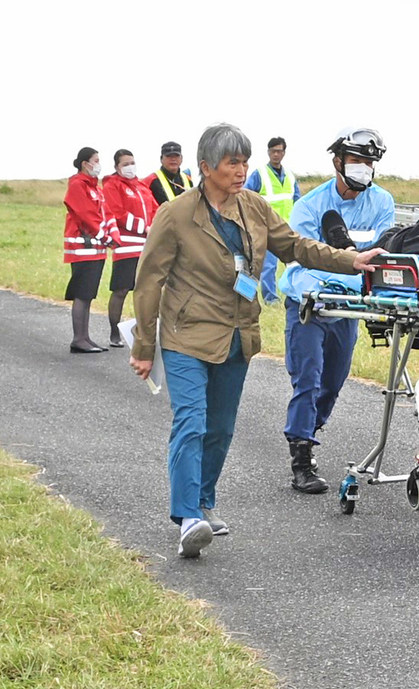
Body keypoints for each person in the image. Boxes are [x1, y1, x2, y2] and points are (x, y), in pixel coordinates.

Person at [128, 123, 384, 559]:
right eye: (232, 163)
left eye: (245, 161)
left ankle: (204, 500)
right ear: (206, 167)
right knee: (191, 421)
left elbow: (297, 247)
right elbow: (149, 280)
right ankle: (188, 515)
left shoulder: (255, 207)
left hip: (236, 334)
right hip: (186, 334)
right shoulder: (175, 215)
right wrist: (143, 346)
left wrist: (350, 260)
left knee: (221, 428)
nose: (241, 170)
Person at [277, 127, 395, 494]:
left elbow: (383, 254)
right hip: (309, 305)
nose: (364, 168)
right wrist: (324, 285)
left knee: (332, 383)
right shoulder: (309, 206)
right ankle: (301, 458)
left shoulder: (382, 203)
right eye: (358, 161)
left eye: (369, 162)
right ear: (338, 162)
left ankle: (310, 431)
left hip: (350, 307)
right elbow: (303, 260)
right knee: (308, 379)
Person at [63, 147, 116, 353]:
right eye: (96, 160)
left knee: (88, 294)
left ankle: (85, 337)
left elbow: (104, 212)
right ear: (85, 163)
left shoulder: (94, 187)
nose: (98, 164)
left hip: (95, 248)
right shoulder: (78, 184)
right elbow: (86, 214)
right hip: (83, 247)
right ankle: (78, 339)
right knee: (82, 293)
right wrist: (104, 236)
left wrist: (110, 236)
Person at [101, 149, 157, 347]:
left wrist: (157, 226)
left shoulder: (141, 186)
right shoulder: (112, 185)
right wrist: (144, 227)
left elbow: (154, 209)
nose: (130, 167)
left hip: (146, 247)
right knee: (121, 290)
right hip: (125, 246)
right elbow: (116, 212)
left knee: (145, 290)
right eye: (125, 164)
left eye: (132, 162)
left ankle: (143, 332)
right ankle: (114, 333)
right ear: (117, 167)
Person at [243, 136, 301, 303]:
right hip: (266, 228)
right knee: (268, 266)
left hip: (288, 227)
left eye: (279, 151)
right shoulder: (259, 174)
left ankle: (295, 294)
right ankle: (271, 298)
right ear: (268, 152)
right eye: (273, 151)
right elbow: (246, 196)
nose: (276, 154)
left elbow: (298, 200)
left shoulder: (290, 175)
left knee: (294, 264)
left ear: (284, 153)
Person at [147, 141, 193, 207]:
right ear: (161, 159)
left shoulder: (188, 180)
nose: (173, 159)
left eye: (176, 156)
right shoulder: (151, 181)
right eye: (169, 156)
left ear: (181, 159)